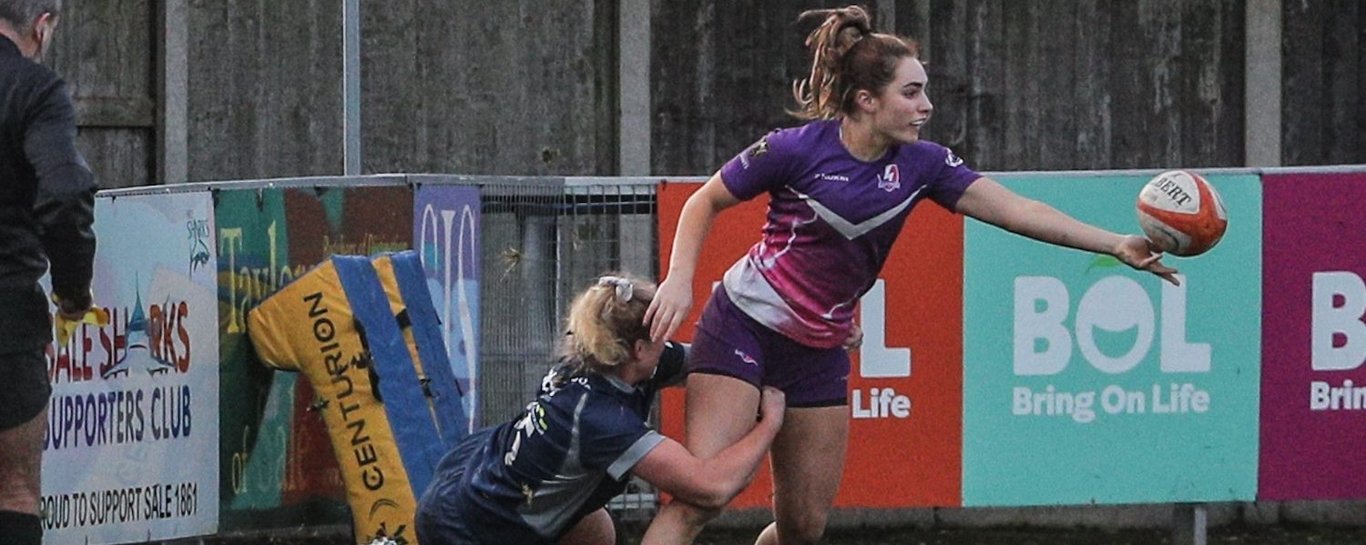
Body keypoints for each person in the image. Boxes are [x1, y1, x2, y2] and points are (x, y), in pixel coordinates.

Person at [640, 6, 1178, 545]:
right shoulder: (795, 149)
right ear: (866, 100)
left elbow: (1019, 210)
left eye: (925, 92)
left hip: (819, 349)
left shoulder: (925, 165)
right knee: (702, 497)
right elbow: (704, 201)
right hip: (743, 326)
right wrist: (680, 278)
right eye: (912, 92)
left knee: (803, 531)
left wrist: (1116, 244)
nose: (927, 105)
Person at [415, 274, 787, 545]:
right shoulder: (599, 419)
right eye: (662, 330)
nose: (670, 339)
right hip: (470, 527)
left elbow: (718, 362)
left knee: (596, 529)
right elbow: (710, 487)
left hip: (480, 472)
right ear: (639, 349)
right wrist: (769, 423)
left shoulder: (606, 355)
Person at [0, 1, 97, 544]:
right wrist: (72, 290)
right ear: (42, 26)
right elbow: (64, 192)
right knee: (13, 490)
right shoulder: (33, 89)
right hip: (5, 319)